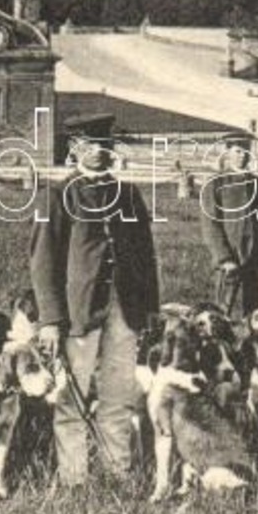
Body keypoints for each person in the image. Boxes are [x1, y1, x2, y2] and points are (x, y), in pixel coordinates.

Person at [31, 113, 160, 486]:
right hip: (78, 313)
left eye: (104, 146)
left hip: (126, 310)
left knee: (119, 395)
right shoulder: (57, 195)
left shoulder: (129, 195)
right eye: (89, 146)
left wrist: (150, 308)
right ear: (74, 149)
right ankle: (74, 480)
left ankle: (116, 475)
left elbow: (145, 255)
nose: (98, 153)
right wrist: (51, 320)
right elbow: (43, 260)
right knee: (71, 398)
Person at [200, 131, 258, 316]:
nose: (242, 155)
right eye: (237, 151)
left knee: (253, 313)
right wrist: (224, 258)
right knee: (221, 313)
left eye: (246, 151)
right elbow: (210, 224)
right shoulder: (215, 183)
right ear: (227, 153)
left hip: (255, 259)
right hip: (230, 260)